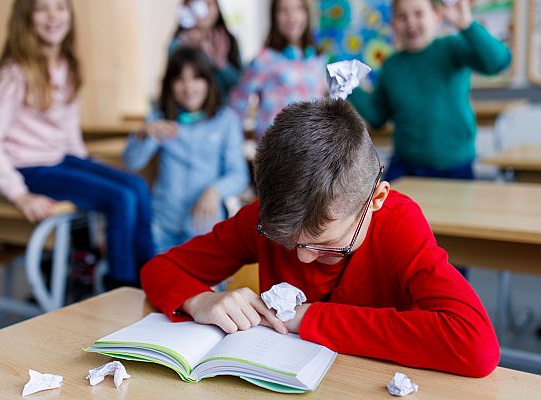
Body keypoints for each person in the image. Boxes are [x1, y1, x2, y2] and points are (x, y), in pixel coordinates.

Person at [141, 99, 499, 378]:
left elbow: (476, 345)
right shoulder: (265, 219)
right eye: (287, 242)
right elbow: (160, 269)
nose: (302, 260)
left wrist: (312, 318)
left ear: (375, 200)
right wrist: (198, 299)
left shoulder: (398, 224)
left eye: (328, 247)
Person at [0, 0, 154, 286]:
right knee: (121, 197)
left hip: (61, 160)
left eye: (60, 7)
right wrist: (19, 195)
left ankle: (152, 275)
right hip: (30, 168)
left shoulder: (66, 66)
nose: (53, 15)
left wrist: (87, 167)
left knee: (138, 187)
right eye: (43, 8)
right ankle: (123, 285)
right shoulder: (14, 72)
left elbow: (69, 131)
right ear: (27, 17)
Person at [348, 0, 511, 181]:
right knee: (384, 206)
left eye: (418, 13)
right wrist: (350, 87)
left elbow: (498, 61)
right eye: (402, 16)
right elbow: (378, 116)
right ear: (393, 24)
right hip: (405, 165)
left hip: (455, 166)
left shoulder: (452, 48)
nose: (410, 22)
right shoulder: (392, 65)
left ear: (437, 16)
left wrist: (466, 24)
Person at [123, 47, 249, 254]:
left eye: (196, 78)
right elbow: (131, 162)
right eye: (180, 79)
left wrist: (215, 191)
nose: (188, 87)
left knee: (207, 285)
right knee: (162, 282)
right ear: (170, 85)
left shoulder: (226, 120)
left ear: (208, 82)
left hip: (204, 222)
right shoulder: (160, 117)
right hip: (162, 221)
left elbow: (238, 175)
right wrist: (143, 134)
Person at [229, 0, 327, 141]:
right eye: (283, 10)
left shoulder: (317, 59)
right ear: (274, 16)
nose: (291, 16)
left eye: (298, 8)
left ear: (307, 13)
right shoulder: (264, 60)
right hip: (278, 149)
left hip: (314, 147)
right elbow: (237, 104)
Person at [170, 0, 242, 100]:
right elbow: (171, 80)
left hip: (223, 109)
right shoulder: (179, 43)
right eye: (199, 3)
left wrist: (222, 64)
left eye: (209, 4)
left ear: (217, 9)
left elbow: (241, 83)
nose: (204, 9)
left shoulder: (228, 40)